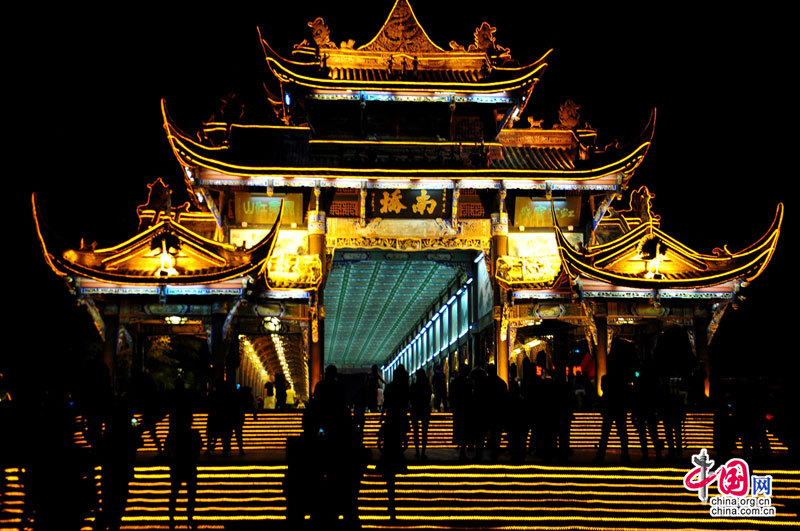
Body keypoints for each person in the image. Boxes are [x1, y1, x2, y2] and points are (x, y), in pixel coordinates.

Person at [167, 379, 202, 530]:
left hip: (177, 463)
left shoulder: (175, 433)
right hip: (190, 464)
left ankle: (172, 516)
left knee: (175, 490)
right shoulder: (194, 434)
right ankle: (189, 517)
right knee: (190, 492)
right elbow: (198, 448)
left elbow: (169, 445)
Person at [378, 365, 409, 521]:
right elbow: (404, 406)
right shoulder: (404, 388)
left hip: (390, 425)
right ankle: (393, 504)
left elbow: (386, 404)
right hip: (399, 423)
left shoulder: (391, 388)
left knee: (389, 473)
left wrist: (382, 418)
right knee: (395, 467)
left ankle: (391, 504)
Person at [409, 368, 432, 459]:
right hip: (425, 409)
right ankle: (423, 451)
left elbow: (410, 397)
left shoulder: (414, 386)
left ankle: (417, 451)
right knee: (424, 431)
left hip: (415, 409)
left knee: (416, 431)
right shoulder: (427, 386)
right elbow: (428, 397)